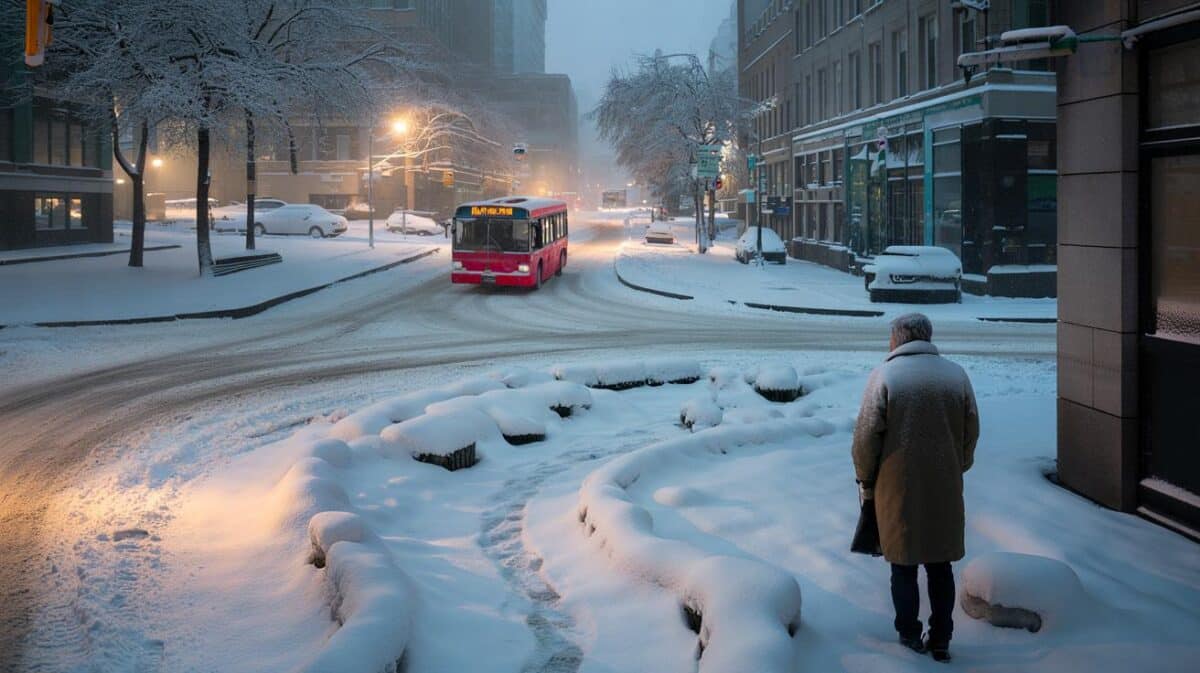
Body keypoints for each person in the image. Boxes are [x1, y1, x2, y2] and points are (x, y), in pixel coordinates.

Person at [851, 313, 980, 663]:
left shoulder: (886, 377)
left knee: (903, 565)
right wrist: (957, 465)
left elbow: (865, 438)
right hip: (944, 487)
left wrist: (866, 478)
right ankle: (941, 637)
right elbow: (971, 432)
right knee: (940, 566)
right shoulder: (956, 376)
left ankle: (908, 632)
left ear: (898, 339)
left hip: (897, 489)